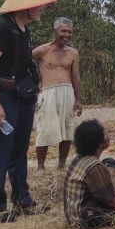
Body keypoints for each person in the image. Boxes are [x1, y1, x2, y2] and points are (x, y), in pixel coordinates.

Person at [0, 0, 57, 223]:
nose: (42, 10)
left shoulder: (23, 30)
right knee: (2, 150)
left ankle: (23, 200)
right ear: (26, 7)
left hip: (21, 97)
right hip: (1, 97)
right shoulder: (1, 28)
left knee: (20, 150)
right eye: (40, 6)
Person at [33, 17, 83, 171]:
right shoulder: (41, 50)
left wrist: (78, 99)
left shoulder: (73, 53)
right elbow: (26, 66)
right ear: (55, 31)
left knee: (67, 130)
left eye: (69, 32)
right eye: (63, 31)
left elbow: (75, 76)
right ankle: (41, 167)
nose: (66, 34)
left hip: (67, 93)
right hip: (47, 94)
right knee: (45, 130)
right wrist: (36, 82)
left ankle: (61, 165)